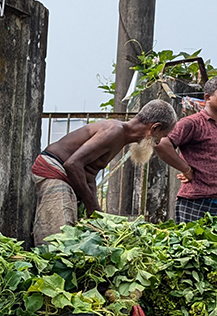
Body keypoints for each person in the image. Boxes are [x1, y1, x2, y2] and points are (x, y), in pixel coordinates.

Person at [31, 99, 177, 243]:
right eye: (162, 136)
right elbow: (72, 164)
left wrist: (97, 210)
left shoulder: (122, 136)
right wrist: (92, 207)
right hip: (55, 172)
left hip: (66, 175)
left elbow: (89, 172)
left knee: (73, 237)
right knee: (58, 239)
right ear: (155, 128)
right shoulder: (114, 131)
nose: (158, 142)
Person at [155, 75, 217, 223]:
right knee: (195, 246)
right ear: (208, 97)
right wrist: (186, 170)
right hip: (197, 202)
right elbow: (161, 143)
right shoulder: (193, 123)